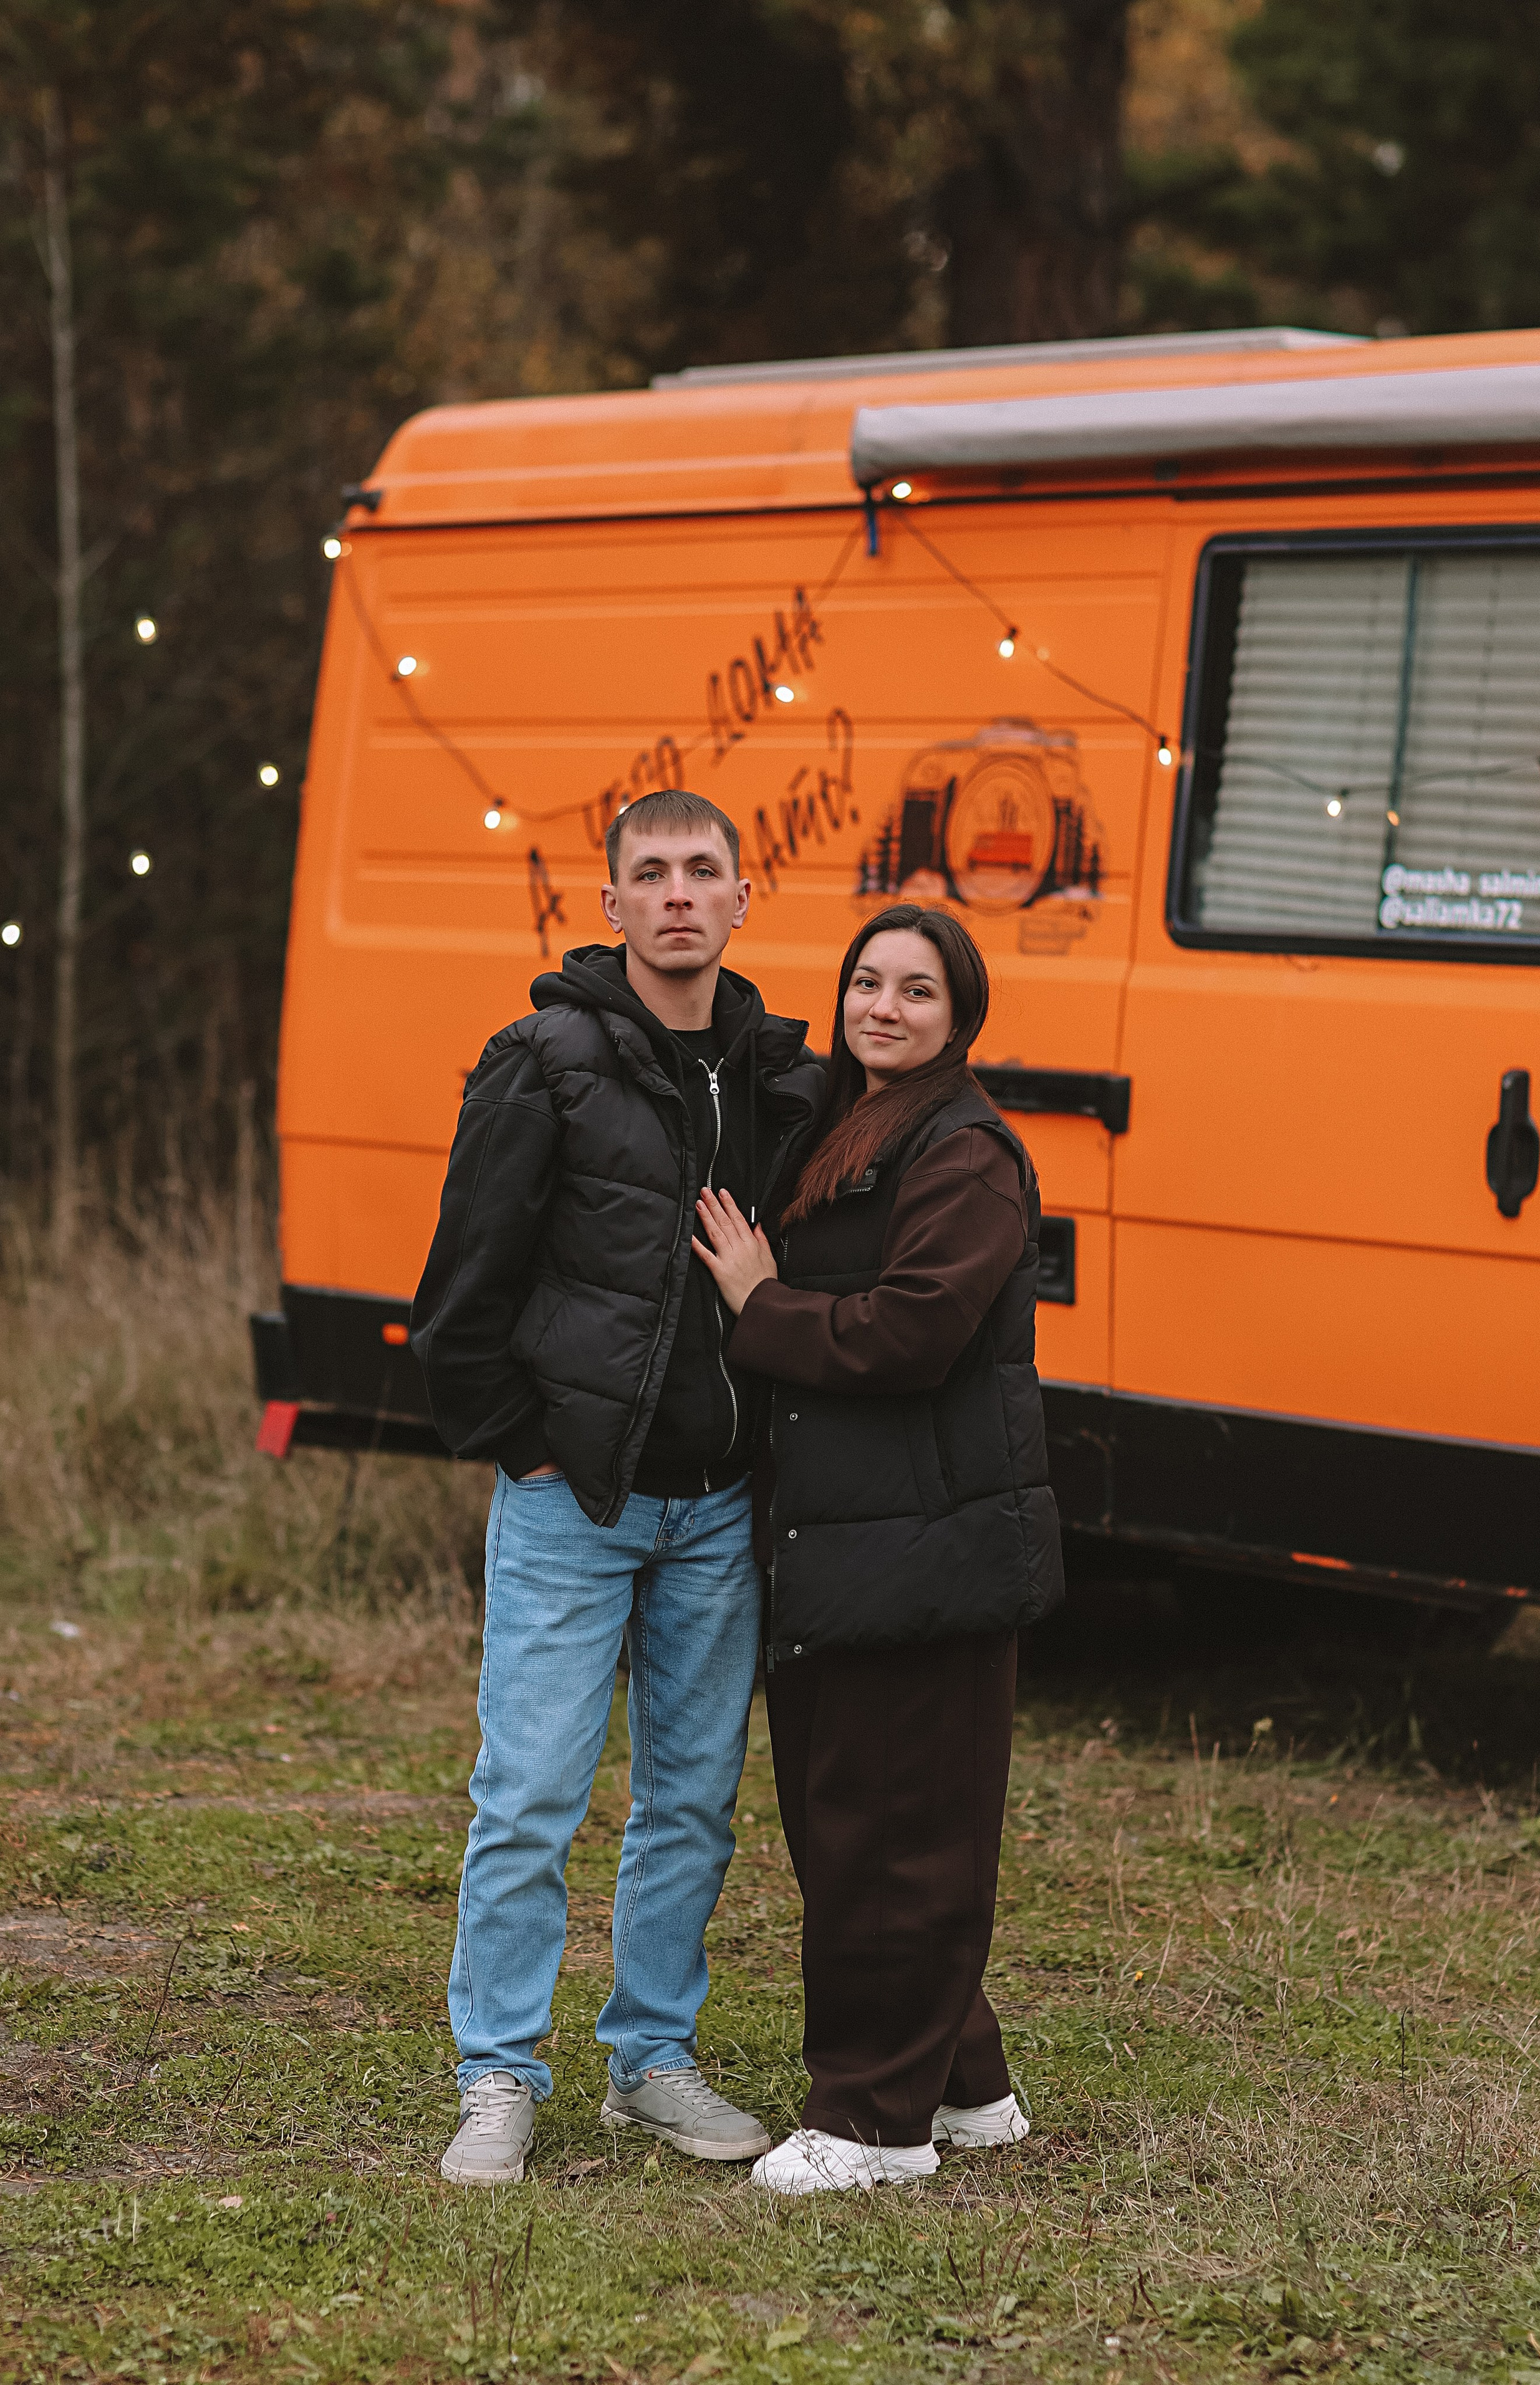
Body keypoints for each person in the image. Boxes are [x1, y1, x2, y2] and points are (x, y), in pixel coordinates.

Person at [411, 788, 824, 2187]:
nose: (676, 895)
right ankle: (495, 2073)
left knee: (693, 1798)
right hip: (571, 1500)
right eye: (648, 873)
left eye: (702, 869)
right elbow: (462, 1279)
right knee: (529, 1790)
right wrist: (517, 1438)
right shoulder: (545, 1057)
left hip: (716, 1506)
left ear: (740, 895)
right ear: (609, 906)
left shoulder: (778, 1073)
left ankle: (650, 2059)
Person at [691, 903, 1063, 2195]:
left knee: (892, 1834)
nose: (882, 1006)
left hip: (927, 1547)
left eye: (915, 989)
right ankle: (961, 2088)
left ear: (958, 1014)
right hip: (853, 1541)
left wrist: (760, 1303)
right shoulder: (849, 1125)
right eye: (865, 982)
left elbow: (913, 1333)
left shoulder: (964, 1156)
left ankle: (869, 2123)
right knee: (865, 1822)